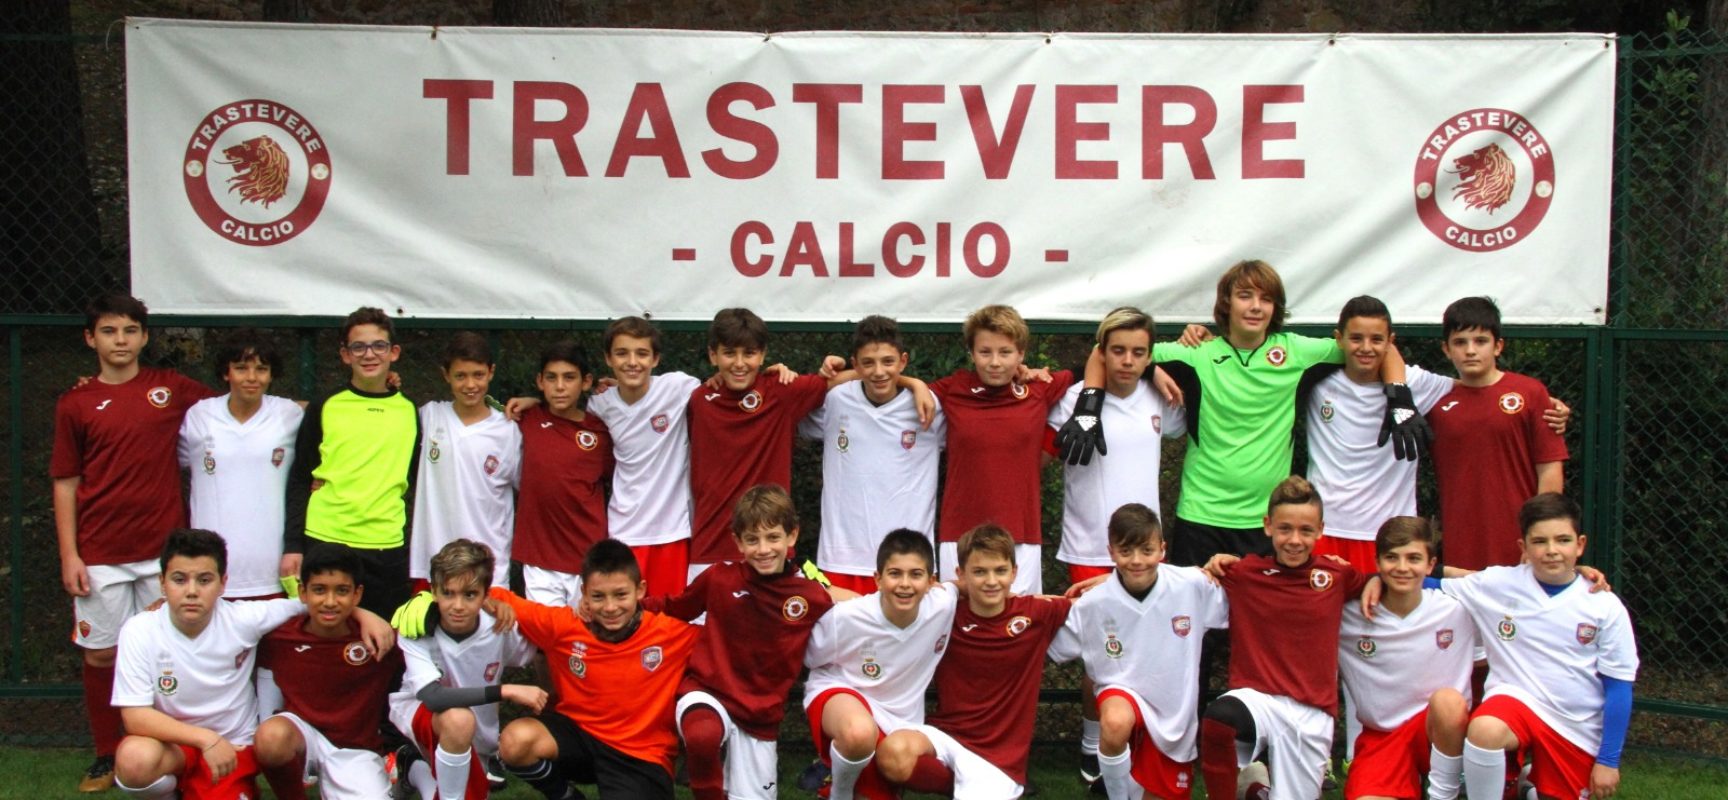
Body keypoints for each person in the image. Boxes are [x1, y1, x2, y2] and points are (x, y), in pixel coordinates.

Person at [1057, 260, 1421, 567]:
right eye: (1245, 296)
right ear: (1227, 302)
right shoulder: (1196, 353)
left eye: (1266, 298)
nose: (1255, 307)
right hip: (1200, 515)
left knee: (1256, 627)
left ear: (1275, 308)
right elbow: (1109, 351)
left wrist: (1400, 401)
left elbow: (1379, 345)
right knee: (1195, 632)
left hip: (1267, 522)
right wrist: (1093, 403)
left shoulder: (1299, 352)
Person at [54, 293, 217, 790]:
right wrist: (70, 554)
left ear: (145, 337)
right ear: (90, 339)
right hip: (99, 552)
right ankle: (107, 753)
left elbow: (236, 405)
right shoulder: (76, 402)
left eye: (129, 331)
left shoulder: (170, 388)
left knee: (164, 652)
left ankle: (169, 748)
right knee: (102, 655)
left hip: (160, 553)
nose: (120, 340)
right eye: (108, 331)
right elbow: (65, 481)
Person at [110, 528, 392, 800]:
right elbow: (135, 717)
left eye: (205, 580)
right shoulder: (139, 629)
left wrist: (362, 613)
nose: (192, 591)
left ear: (223, 583)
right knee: (134, 760)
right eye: (179, 579)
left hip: (231, 746)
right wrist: (205, 739)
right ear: (162, 583)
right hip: (176, 746)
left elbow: (312, 602)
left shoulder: (243, 619)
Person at [1435, 494, 1637, 800]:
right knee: (1484, 730)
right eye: (1540, 541)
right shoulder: (1499, 584)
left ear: (1580, 545)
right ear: (1524, 548)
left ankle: (1528, 784)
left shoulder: (1604, 606)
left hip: (1574, 726)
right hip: (1515, 701)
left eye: (1563, 540)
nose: (1552, 550)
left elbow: (1619, 687)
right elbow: (1424, 579)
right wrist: (1370, 581)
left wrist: (1608, 761)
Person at [643, 485, 838, 800]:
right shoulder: (720, 578)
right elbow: (674, 607)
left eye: (773, 537)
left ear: (792, 535)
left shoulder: (810, 594)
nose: (763, 549)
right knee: (702, 735)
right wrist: (630, 608)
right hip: (707, 693)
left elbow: (852, 611)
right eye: (752, 539)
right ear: (737, 541)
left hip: (760, 716)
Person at [1197, 476, 1369, 800]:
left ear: (1320, 530)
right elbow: (1171, 582)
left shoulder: (1337, 576)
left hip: (1312, 713)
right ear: (1267, 526)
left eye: (1306, 530)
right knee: (1219, 720)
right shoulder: (1244, 573)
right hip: (1257, 700)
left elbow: (1391, 582)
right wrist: (1111, 579)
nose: (1294, 540)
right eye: (1284, 528)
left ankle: (1256, 790)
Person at [491, 539, 699, 799]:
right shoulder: (565, 627)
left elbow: (732, 640)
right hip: (578, 739)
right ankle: (566, 796)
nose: (610, 607)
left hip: (640, 754)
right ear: (584, 594)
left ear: (640, 590)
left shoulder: (670, 633)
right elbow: (494, 595)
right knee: (514, 741)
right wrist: (496, 605)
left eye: (620, 594)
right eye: (598, 596)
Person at [877, 524, 1071, 799]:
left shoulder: (1038, 612)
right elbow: (911, 594)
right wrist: (956, 589)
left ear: (1014, 573)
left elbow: (1094, 602)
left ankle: (984, 787)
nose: (991, 581)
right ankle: (956, 784)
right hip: (945, 736)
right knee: (892, 753)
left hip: (997, 760)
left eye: (1000, 571)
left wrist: (1103, 580)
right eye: (979, 572)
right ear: (961, 574)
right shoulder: (944, 612)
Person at [1048, 504, 1227, 800]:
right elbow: (1047, 638)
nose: (1136, 561)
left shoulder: (1193, 584)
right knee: (1115, 721)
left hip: (1174, 718)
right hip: (1122, 695)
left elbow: (1246, 595)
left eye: (1146, 550)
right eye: (1125, 551)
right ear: (1111, 551)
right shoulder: (1092, 603)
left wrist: (1228, 564)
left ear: (1162, 549)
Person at [929, 304, 1074, 595]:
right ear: (971, 354)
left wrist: (1155, 372)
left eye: (1005, 352)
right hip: (960, 533)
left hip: (1021, 535)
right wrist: (913, 384)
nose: (995, 362)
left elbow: (1097, 362)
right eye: (985, 352)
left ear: (1021, 354)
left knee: (1018, 627)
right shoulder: (952, 388)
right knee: (957, 624)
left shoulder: (1039, 389)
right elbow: (890, 389)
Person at [285, 306, 420, 617]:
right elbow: (299, 478)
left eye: (379, 346)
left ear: (394, 352)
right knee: (327, 639)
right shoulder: (326, 405)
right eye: (358, 346)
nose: (369, 354)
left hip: (386, 544)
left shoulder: (411, 411)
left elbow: (407, 479)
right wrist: (293, 545)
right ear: (345, 355)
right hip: (325, 539)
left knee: (384, 641)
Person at [803, 529, 958, 800]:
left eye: (916, 574)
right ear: (878, 578)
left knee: (897, 773)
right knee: (858, 732)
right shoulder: (848, 617)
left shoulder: (943, 605)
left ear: (932, 581)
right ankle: (839, 794)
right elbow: (810, 658)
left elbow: (973, 585)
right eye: (895, 573)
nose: (905, 584)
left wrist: (1038, 601)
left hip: (900, 722)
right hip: (842, 696)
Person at [801, 315, 946, 594]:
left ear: (903, 361)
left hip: (909, 562)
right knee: (843, 637)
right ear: (855, 364)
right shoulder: (835, 399)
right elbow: (787, 399)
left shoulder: (929, 406)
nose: (879, 371)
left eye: (888, 362)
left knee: (906, 637)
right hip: (841, 556)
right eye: (868, 362)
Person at [389, 539, 543, 800]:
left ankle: (412, 767)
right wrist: (506, 690)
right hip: (421, 715)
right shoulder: (416, 626)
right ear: (434, 591)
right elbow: (433, 697)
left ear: (486, 595)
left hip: (478, 738)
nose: (458, 605)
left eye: (469, 594)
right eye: (448, 593)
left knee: (464, 787)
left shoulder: (499, 625)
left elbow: (543, 644)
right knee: (459, 719)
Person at [254, 543, 407, 800]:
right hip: (302, 739)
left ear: (358, 594)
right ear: (302, 592)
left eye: (342, 591)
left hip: (355, 750)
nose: (330, 601)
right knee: (271, 737)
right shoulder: (279, 635)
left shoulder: (378, 637)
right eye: (319, 590)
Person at [686, 308, 830, 580]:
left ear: (763, 355)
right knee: (705, 625)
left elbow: (838, 380)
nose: (739, 363)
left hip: (771, 551)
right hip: (710, 549)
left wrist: (914, 385)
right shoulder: (697, 400)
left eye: (749, 353)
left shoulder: (781, 392)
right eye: (729, 353)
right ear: (712, 355)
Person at [1337, 517, 1475, 800]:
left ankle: (1446, 793)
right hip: (1382, 739)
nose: (1402, 568)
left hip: (1440, 732)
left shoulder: (1458, 606)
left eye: (1413, 558)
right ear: (1376, 562)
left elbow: (1520, 585)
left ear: (1430, 563)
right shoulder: (1348, 612)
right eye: (1391, 558)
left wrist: (1577, 573)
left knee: (1448, 701)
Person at [1427, 297, 1569, 570]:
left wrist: (1539, 537)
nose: (1470, 350)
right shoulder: (1433, 402)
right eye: (1460, 342)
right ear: (1446, 349)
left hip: (1520, 542)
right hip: (1461, 544)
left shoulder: (1530, 393)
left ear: (1498, 346)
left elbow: (1550, 471)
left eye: (1480, 341)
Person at [178, 328, 304, 601]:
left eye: (261, 369)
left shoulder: (290, 415)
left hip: (272, 569)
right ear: (226, 373)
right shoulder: (200, 416)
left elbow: (329, 413)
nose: (251, 377)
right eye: (241, 368)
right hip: (210, 570)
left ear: (271, 375)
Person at [587, 316, 702, 596]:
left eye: (642, 353)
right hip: (623, 530)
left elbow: (728, 387)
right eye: (622, 353)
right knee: (622, 618)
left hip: (672, 531)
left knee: (667, 620)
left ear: (656, 359)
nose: (632, 362)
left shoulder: (678, 388)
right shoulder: (599, 404)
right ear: (608, 359)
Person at [513, 340, 613, 605]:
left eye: (569, 378)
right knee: (549, 639)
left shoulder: (601, 431)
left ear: (586, 381)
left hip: (589, 557)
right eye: (551, 378)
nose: (559, 386)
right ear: (539, 381)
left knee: (588, 639)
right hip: (540, 559)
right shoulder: (525, 419)